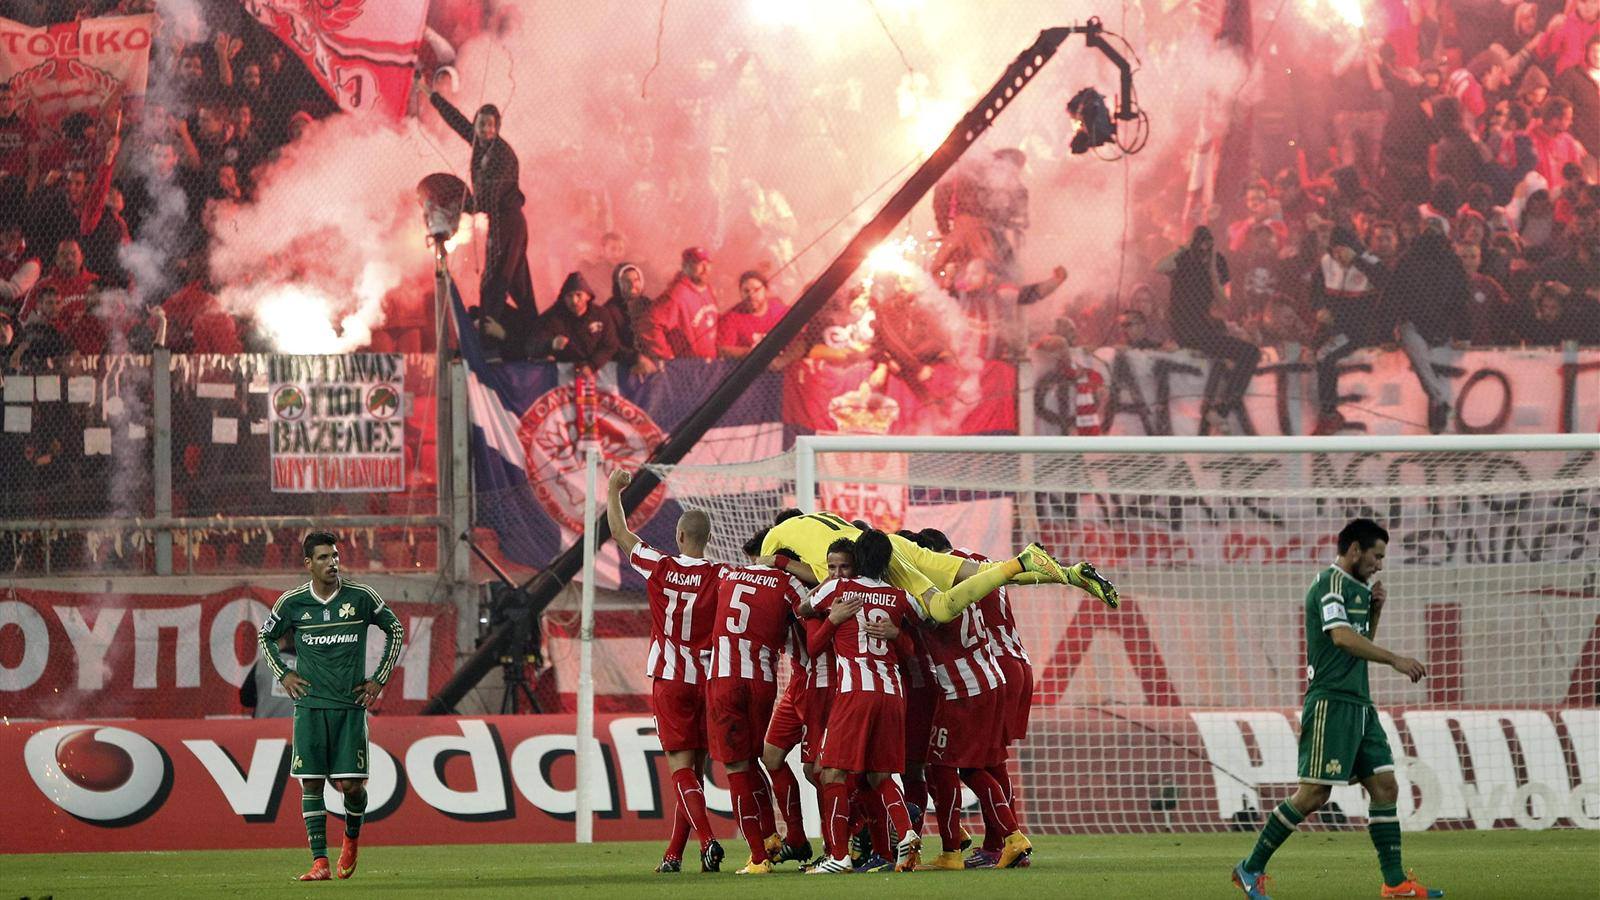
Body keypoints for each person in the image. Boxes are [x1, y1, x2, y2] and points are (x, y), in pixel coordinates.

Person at [1232, 518, 1440, 900]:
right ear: (1356, 549)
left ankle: (1394, 883)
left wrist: (1375, 611)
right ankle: (1250, 868)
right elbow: (1342, 638)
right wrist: (1395, 659)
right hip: (1331, 702)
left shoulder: (1358, 589)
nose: (1379, 565)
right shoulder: (1330, 584)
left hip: (1360, 703)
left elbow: (1358, 642)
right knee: (1314, 794)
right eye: (1377, 556)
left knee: (1385, 786)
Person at [256, 532, 406, 882]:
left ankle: (351, 838)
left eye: (335, 556)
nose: (332, 562)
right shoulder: (292, 602)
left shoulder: (361, 597)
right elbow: (265, 636)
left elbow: (395, 630)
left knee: (350, 785)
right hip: (310, 708)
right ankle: (320, 862)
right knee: (311, 783)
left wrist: (379, 679)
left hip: (349, 707)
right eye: (323, 557)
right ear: (308, 564)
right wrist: (284, 674)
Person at [605, 468, 726, 874]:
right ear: (707, 538)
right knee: (695, 773)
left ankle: (707, 841)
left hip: (670, 679)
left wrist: (613, 489)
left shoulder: (659, 566)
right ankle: (673, 855)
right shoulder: (722, 576)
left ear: (679, 536)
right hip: (706, 681)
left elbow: (620, 533)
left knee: (680, 769)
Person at [803, 531, 930, 874]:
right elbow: (922, 630)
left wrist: (832, 618)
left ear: (857, 560)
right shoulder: (901, 597)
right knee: (880, 775)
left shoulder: (839, 590)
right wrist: (897, 634)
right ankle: (906, 832)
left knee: (832, 772)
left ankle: (838, 856)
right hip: (892, 694)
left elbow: (805, 616)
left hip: (855, 693)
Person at [759, 510, 1118, 627]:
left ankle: (1021, 561)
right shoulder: (817, 518)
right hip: (889, 541)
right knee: (978, 570)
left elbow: (776, 574)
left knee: (941, 609)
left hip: (880, 554)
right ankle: (1070, 574)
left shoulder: (779, 540)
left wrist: (778, 562)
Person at [707, 533, 811, 874]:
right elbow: (814, 611)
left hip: (727, 680)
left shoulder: (729, 575)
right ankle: (782, 837)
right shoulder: (790, 585)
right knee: (764, 758)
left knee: (737, 768)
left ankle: (758, 856)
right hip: (766, 681)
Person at [417, 73, 533, 360]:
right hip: (502, 223)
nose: (485, 130)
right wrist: (428, 93)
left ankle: (489, 346)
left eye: (490, 125)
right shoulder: (480, 143)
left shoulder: (502, 155)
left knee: (493, 280)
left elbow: (489, 197)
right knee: (519, 285)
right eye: (481, 124)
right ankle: (534, 338)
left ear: (497, 127)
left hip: (508, 223)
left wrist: (461, 206)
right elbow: (456, 119)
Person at [1156, 226, 1261, 434]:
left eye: (1208, 244)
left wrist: (1212, 271)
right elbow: (1158, 267)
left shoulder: (1218, 261)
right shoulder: (1184, 258)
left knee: (1250, 352)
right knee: (1250, 353)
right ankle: (1220, 411)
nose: (1204, 249)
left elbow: (1224, 304)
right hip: (1187, 329)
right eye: (1200, 244)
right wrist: (1183, 248)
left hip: (1206, 328)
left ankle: (1220, 408)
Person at [1388, 230, 1470, 433]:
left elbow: (1461, 299)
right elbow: (1462, 299)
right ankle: (1439, 402)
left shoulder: (1410, 260)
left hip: (1435, 324)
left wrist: (1463, 333)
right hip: (1424, 323)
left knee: (1430, 368)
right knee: (1426, 366)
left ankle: (1438, 407)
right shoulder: (1447, 261)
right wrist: (1463, 332)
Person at [525, 271, 623, 369]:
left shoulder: (601, 315)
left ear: (588, 296)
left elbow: (611, 345)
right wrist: (551, 343)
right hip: (564, 370)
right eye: (569, 296)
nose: (574, 301)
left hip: (597, 368)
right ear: (563, 298)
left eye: (578, 295)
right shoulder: (552, 317)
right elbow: (531, 346)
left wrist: (592, 365)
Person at [718, 270, 790, 359]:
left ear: (766, 291)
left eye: (756, 290)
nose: (751, 295)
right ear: (740, 293)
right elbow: (723, 349)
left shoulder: (780, 310)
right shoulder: (731, 318)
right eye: (746, 291)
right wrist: (751, 353)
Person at [239, 634, 296, 718]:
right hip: (297, 724)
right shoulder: (311, 668)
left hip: (264, 723)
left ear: (282, 642)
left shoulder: (263, 664)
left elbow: (245, 698)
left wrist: (265, 699)